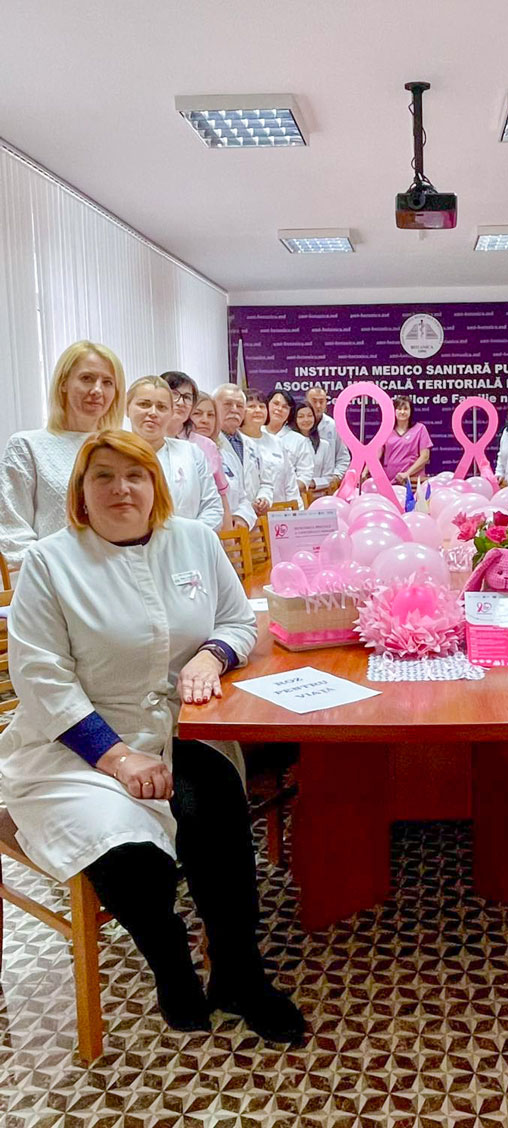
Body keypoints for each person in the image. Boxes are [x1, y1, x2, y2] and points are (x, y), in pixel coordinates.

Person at [0, 430, 304, 1043]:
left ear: (155, 485)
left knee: (216, 809)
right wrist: (116, 757)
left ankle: (239, 974)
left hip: (181, 724)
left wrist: (212, 655)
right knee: (130, 854)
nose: (121, 488)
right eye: (103, 476)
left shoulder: (194, 539)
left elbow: (237, 620)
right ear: (80, 493)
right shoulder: (51, 562)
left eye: (134, 475)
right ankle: (170, 962)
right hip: (76, 741)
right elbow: (40, 674)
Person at [0, 340, 125, 573]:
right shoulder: (27, 446)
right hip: (51, 581)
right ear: (64, 383)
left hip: (116, 577)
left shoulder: (124, 449)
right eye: (87, 378)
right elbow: (13, 532)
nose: (97, 390)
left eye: (107, 382)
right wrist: (58, 575)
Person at [127, 377, 223, 530]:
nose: (153, 413)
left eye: (162, 407)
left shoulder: (192, 453)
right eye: (144, 404)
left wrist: (184, 538)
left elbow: (213, 508)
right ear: (127, 408)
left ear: (171, 413)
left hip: (188, 542)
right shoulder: (113, 455)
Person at [161, 371, 231, 530]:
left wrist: (191, 536)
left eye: (187, 397)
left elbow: (215, 503)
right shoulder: (142, 444)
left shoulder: (199, 448)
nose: (181, 402)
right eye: (174, 394)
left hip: (196, 535)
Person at [213, 384, 274, 529]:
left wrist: (264, 498)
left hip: (252, 522)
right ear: (213, 407)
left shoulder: (251, 445)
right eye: (228, 404)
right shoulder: (208, 445)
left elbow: (266, 482)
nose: (234, 409)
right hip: (225, 525)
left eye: (239, 405)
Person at [260, 388, 314, 494]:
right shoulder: (254, 434)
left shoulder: (298, 440)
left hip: (287, 499)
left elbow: (305, 474)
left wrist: (289, 489)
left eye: (285, 407)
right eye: (276, 404)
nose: (279, 409)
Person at [380, 396, 432, 485]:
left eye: (406, 409)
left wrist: (407, 474)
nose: (402, 412)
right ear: (394, 411)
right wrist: (364, 472)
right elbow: (376, 455)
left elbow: (425, 457)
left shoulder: (420, 429)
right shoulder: (386, 430)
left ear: (411, 411)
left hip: (413, 481)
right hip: (389, 481)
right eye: (399, 409)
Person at [306, 385, 351, 488]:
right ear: (306, 402)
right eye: (314, 401)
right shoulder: (296, 424)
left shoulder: (333, 425)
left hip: (327, 486)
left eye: (321, 401)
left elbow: (343, 457)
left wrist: (336, 476)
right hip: (301, 487)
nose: (318, 406)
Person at [292, 400, 335, 498]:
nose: (306, 420)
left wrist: (311, 483)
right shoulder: (287, 442)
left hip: (318, 497)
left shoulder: (324, 445)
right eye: (301, 416)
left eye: (309, 416)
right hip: (294, 496)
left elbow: (328, 478)